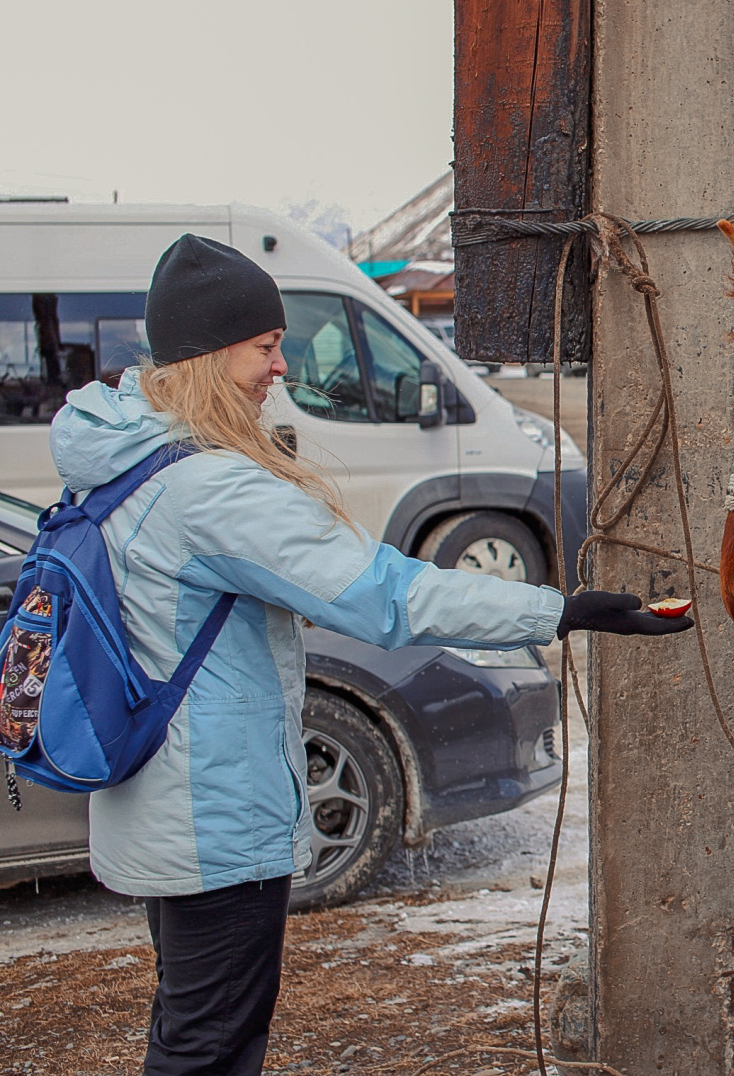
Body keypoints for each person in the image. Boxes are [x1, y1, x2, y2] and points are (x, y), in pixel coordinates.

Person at [48, 234, 690, 1076]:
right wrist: (559, 607)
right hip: (214, 820)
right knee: (209, 1050)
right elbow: (388, 594)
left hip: (162, 809)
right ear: (209, 354)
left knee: (190, 1031)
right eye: (265, 347)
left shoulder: (119, 453)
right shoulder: (209, 488)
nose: (278, 367)